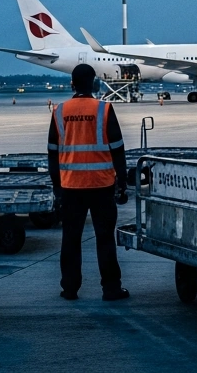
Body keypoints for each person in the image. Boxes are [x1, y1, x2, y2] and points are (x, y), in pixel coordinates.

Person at [48, 64, 129, 301]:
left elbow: (52, 152)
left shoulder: (60, 111)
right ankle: (111, 288)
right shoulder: (104, 109)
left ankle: (70, 289)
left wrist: (56, 186)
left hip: (71, 186)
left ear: (72, 84)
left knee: (70, 240)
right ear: (94, 83)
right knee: (105, 239)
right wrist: (122, 181)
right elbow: (118, 148)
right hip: (101, 185)